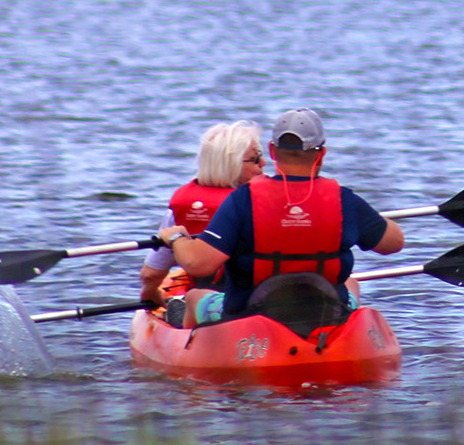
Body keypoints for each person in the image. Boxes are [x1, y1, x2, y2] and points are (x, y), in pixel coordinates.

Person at [159, 107, 404, 328]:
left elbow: (197, 263)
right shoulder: (345, 201)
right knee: (351, 283)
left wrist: (178, 237)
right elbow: (394, 244)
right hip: (328, 309)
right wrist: (369, 218)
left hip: (248, 313)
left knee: (193, 297)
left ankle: (191, 349)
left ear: (272, 151)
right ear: (322, 154)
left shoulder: (243, 200)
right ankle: (337, 339)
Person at [140, 120, 266, 306]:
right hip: (257, 301)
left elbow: (151, 275)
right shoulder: (264, 203)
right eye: (255, 158)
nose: (263, 163)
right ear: (231, 164)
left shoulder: (181, 205)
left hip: (205, 301)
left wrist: (150, 297)